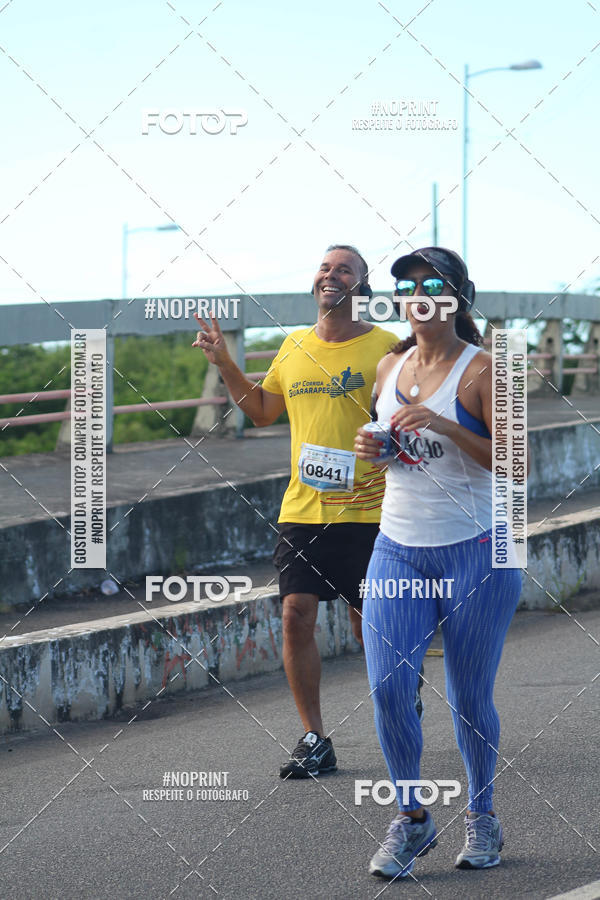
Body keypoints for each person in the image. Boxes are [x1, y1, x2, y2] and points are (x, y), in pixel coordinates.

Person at [193, 244, 400, 778]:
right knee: (294, 615)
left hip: (371, 511)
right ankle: (315, 738)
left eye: (345, 270)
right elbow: (263, 411)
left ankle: (403, 696)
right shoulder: (293, 346)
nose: (332, 275)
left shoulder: (386, 347)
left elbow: (407, 416)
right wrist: (226, 364)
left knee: (370, 624)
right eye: (326, 268)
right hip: (304, 510)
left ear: (362, 286)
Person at [354, 247, 526, 878]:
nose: (418, 296)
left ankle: (482, 813)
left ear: (458, 297)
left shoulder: (487, 370)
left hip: (478, 550)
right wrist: (375, 446)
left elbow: (516, 464)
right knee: (387, 688)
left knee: (468, 697)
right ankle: (412, 817)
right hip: (398, 547)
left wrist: (447, 426)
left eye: (433, 285)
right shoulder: (388, 365)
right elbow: (395, 450)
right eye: (407, 287)